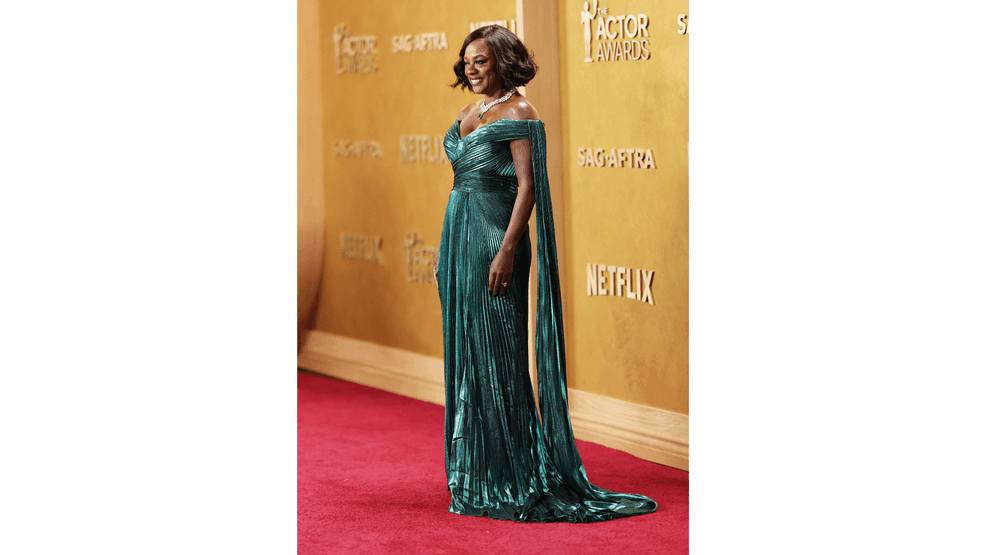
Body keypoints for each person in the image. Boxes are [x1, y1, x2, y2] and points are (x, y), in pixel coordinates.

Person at [433, 25, 657, 523]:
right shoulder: (470, 112)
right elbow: (460, 185)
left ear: (503, 62)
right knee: (468, 355)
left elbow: (528, 187)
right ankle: (478, 472)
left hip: (495, 242)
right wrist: (445, 250)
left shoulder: (520, 113)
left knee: (500, 355)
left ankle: (513, 474)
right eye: (467, 62)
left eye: (481, 61)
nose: (471, 69)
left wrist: (507, 249)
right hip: (459, 240)